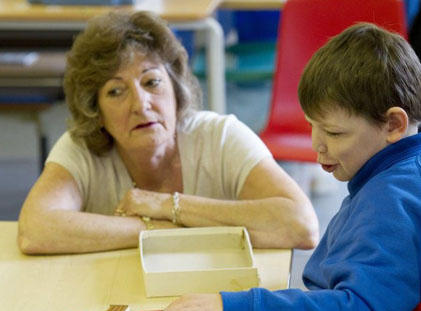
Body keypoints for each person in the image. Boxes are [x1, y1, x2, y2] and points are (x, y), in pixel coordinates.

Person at [155, 23, 421, 311]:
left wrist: (238, 309)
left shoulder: (393, 200)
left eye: (334, 132)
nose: (317, 144)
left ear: (392, 124)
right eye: (313, 125)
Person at [16, 11, 318, 255]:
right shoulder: (81, 146)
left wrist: (166, 205)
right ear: (96, 113)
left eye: (151, 82)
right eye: (116, 91)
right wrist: (159, 230)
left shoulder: (221, 136)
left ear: (177, 89)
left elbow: (301, 224)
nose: (140, 104)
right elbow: (35, 230)